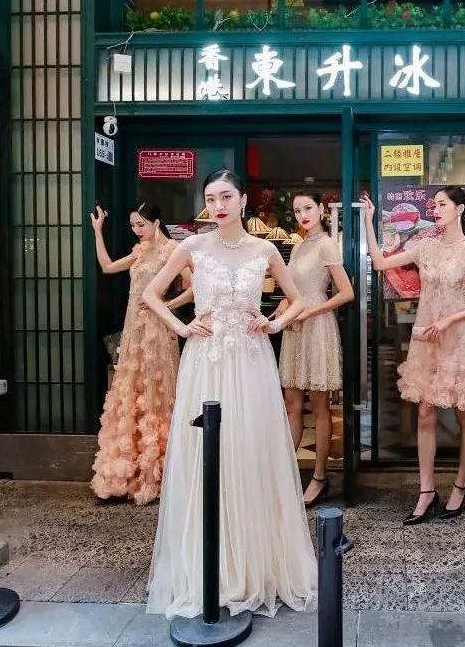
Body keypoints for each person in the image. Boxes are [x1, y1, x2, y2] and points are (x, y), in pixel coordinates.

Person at [142, 170, 317, 619]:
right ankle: (210, 566)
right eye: (210, 198)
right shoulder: (192, 247)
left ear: (242, 201)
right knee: (207, 455)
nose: (217, 205)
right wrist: (182, 327)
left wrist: (275, 324)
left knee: (249, 451)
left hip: (253, 362)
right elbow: (151, 294)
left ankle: (255, 563)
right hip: (207, 361)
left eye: (225, 197)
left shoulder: (265, 249)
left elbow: (297, 299)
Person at [361, 187, 465, 525]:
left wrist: (451, 319)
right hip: (426, 337)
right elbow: (380, 263)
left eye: (442, 204)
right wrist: (369, 220)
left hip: (457, 338)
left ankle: (460, 486)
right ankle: (426, 491)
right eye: (433, 205)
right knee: (424, 414)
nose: (435, 209)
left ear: (459, 209)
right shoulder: (425, 246)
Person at [90, 202, 191, 505]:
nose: (137, 230)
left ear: (156, 222)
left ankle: (160, 470)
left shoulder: (173, 249)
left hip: (158, 329)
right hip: (133, 328)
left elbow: (194, 287)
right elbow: (107, 267)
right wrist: (97, 231)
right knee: (132, 389)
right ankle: (129, 470)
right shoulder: (140, 251)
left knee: (158, 391)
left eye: (141, 224)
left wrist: (167, 305)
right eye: (133, 225)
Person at [273, 192, 354, 507]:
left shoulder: (327, 244)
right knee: (292, 403)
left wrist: (310, 311)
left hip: (317, 325)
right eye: (297, 210)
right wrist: (285, 305)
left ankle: (320, 477)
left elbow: (346, 292)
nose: (303, 214)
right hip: (295, 325)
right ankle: (286, 474)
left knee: (319, 406)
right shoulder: (299, 246)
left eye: (308, 208)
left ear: (321, 209)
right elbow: (293, 289)